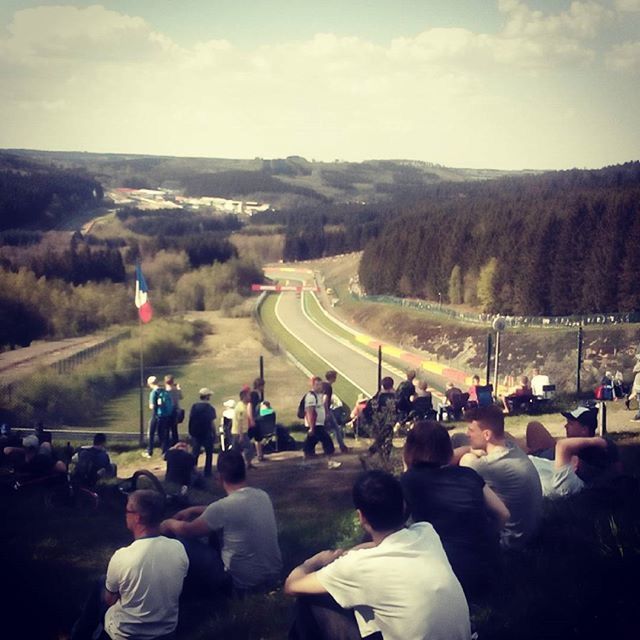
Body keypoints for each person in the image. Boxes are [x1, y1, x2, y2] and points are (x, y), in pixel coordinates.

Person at [284, 470, 471, 640]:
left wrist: (315, 561)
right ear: (403, 505)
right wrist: (350, 552)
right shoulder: (426, 532)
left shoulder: (357, 567)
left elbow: (292, 585)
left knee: (311, 599)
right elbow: (379, 546)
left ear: (361, 517)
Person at [401, 421, 509, 596]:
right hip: (489, 568)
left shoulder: (410, 481)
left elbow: (393, 525)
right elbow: (503, 513)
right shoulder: (468, 474)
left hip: (446, 574)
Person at [71, 490, 189, 640]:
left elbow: (109, 600)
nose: (125, 514)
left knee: (102, 585)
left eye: (127, 511)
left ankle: (79, 634)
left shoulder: (122, 557)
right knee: (106, 582)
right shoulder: (178, 548)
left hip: (127, 634)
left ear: (137, 517)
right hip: (166, 633)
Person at [160, 449, 282, 594]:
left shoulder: (223, 508)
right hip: (274, 576)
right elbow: (228, 511)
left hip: (242, 584)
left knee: (182, 542)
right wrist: (193, 510)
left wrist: (168, 524)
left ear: (219, 477)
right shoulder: (262, 496)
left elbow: (188, 530)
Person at [456, 404, 543, 550]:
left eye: (471, 430)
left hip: (508, 541)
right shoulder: (511, 447)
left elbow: (456, 462)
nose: (467, 434)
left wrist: (469, 453)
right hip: (529, 533)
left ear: (487, 435)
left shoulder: (483, 465)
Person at [526, 406, 621, 487]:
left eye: (570, 423)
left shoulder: (589, 451)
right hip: (544, 455)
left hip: (540, 464)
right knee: (534, 426)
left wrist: (601, 441)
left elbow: (611, 469)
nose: (565, 426)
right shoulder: (582, 445)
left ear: (584, 430)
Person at [302, 376, 340, 468]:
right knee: (327, 442)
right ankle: (330, 462)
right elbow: (309, 411)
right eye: (317, 385)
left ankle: (306, 463)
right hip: (315, 425)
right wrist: (311, 427)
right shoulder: (311, 397)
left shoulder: (318, 396)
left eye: (320, 384)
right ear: (313, 385)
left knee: (310, 444)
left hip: (318, 424)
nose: (320, 386)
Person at [188, 387, 216, 477]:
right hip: (206, 433)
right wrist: (214, 433)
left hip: (196, 433)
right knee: (209, 453)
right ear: (207, 397)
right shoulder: (210, 408)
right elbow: (212, 423)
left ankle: (193, 470)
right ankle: (207, 472)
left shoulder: (194, 407)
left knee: (195, 452)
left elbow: (191, 419)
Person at [143, 375, 173, 458]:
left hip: (156, 415)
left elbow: (152, 406)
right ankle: (165, 451)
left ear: (150, 384)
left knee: (151, 433)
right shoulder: (163, 391)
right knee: (162, 434)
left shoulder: (154, 392)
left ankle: (149, 451)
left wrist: (150, 405)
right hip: (165, 415)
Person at [323, 370, 349, 454]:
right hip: (326, 410)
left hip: (321, 410)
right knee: (336, 428)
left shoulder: (322, 385)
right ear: (332, 378)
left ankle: (327, 446)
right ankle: (342, 447)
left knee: (322, 429)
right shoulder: (328, 387)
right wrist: (326, 411)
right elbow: (325, 400)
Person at [232, 386, 255, 468]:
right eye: (248, 395)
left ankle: (238, 465)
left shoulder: (242, 405)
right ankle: (247, 463)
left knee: (236, 450)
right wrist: (241, 435)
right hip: (240, 432)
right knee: (249, 448)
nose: (250, 397)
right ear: (244, 396)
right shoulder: (241, 408)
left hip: (239, 432)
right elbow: (239, 422)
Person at [165, 374, 183, 447]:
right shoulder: (176, 390)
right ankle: (175, 443)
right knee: (174, 429)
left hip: (167, 411)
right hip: (176, 411)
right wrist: (178, 388)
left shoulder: (166, 391)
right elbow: (181, 397)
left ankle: (167, 444)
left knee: (166, 429)